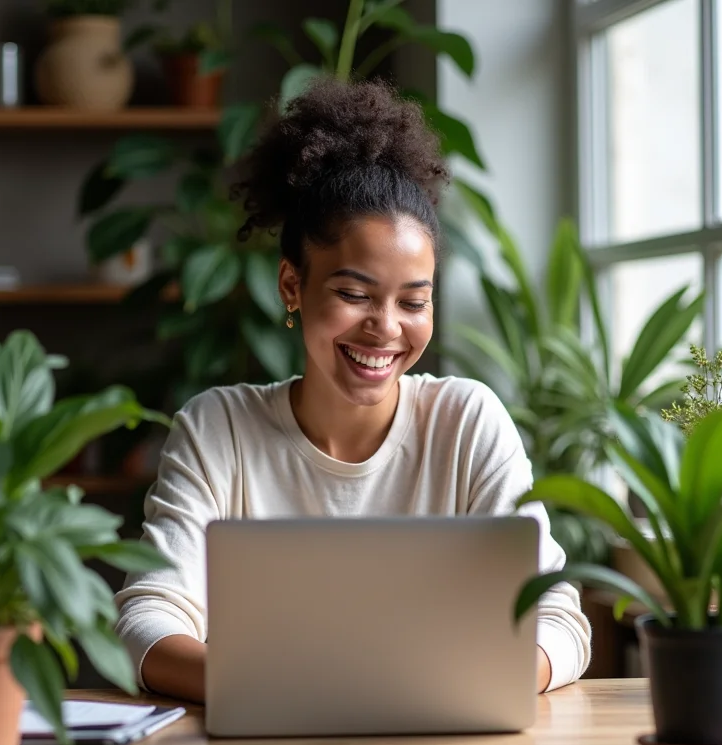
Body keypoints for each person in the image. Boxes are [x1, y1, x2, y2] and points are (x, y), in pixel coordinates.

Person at [114, 77, 591, 705]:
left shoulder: (467, 421)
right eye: (354, 294)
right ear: (292, 285)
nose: (386, 328)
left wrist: (471, 685)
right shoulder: (217, 430)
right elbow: (146, 619)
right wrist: (289, 692)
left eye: (413, 301)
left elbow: (557, 615)